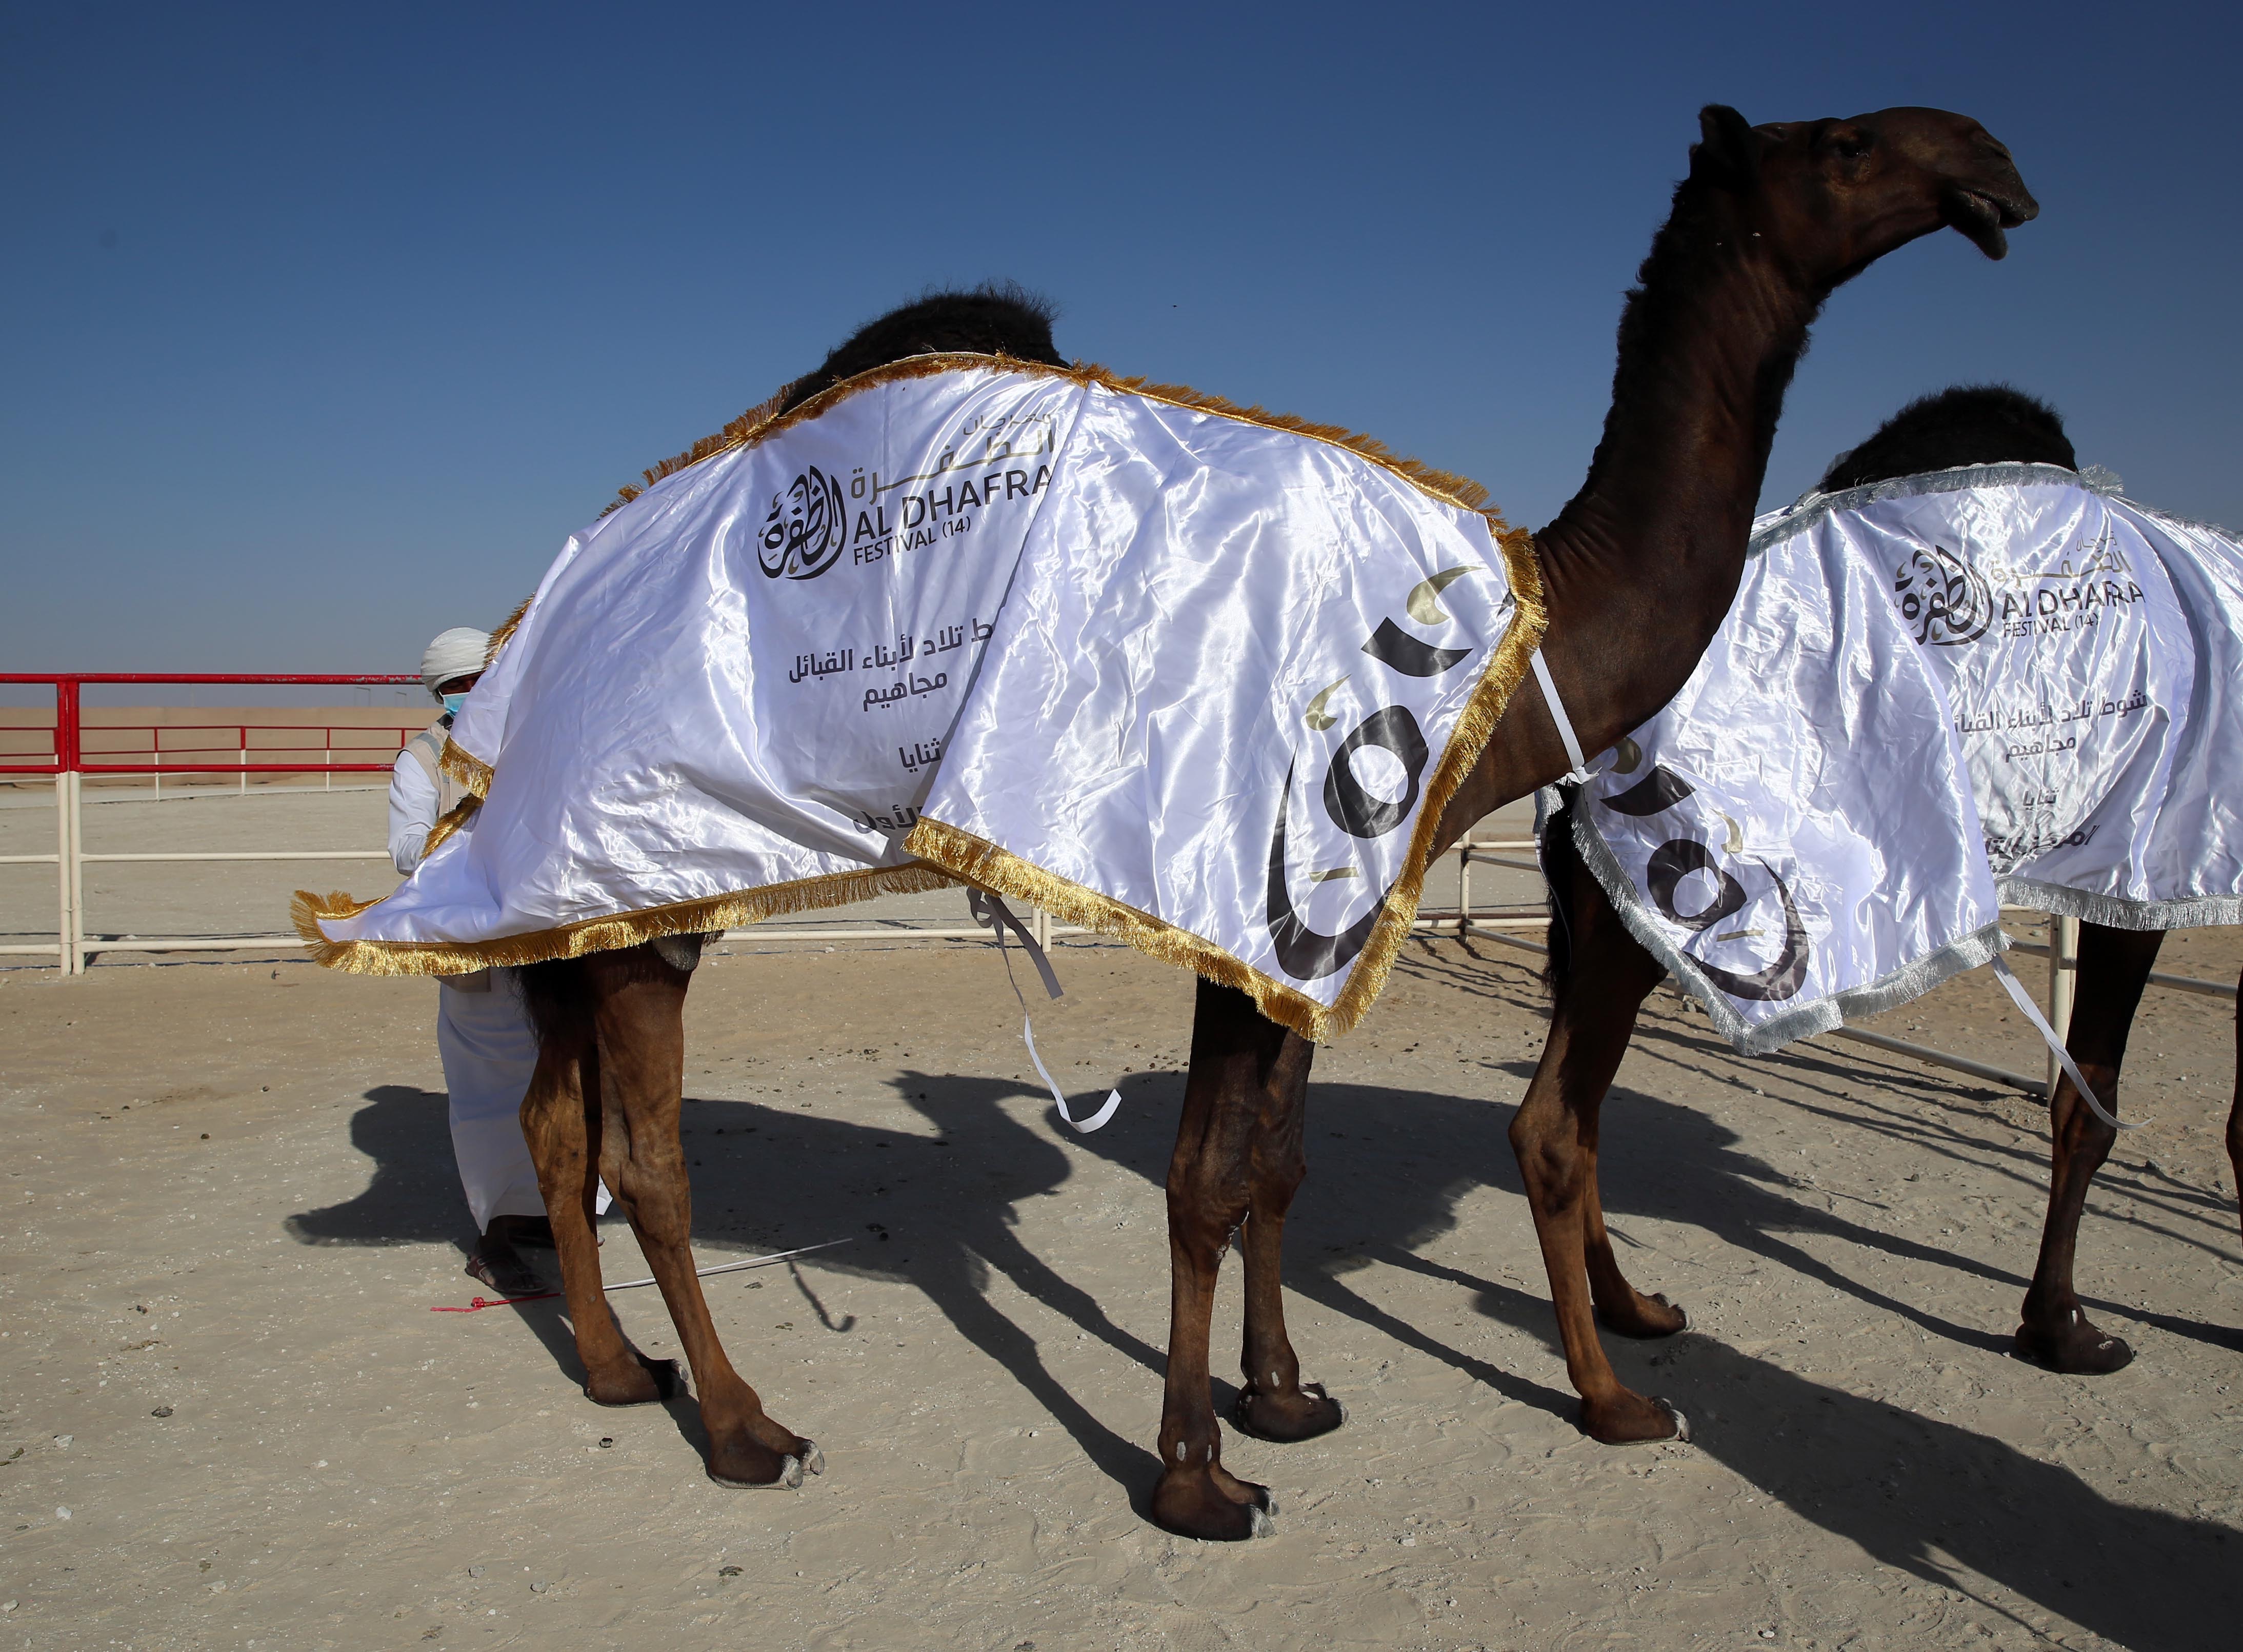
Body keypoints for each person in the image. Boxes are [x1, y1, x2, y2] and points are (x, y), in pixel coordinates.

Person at [391, 626, 605, 1295]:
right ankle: (494, 1236)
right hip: (475, 946)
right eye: (459, 687)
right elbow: (405, 850)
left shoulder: (533, 744)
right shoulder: (422, 761)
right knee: (488, 1094)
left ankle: (556, 1214)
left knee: (567, 1074)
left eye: (481, 681)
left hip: (547, 938)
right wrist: (477, 840)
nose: (472, 694)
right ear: (441, 693)